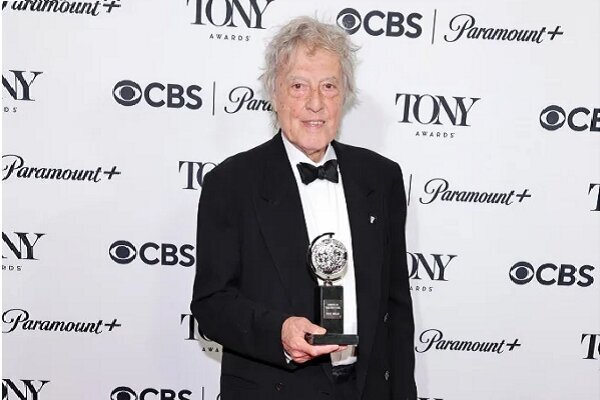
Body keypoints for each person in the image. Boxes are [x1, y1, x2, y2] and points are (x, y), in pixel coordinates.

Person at [191, 16, 417, 400]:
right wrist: (278, 331)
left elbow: (396, 308)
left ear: (344, 94)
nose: (315, 103)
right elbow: (212, 305)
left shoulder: (381, 178)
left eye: (329, 86)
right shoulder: (231, 183)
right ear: (274, 94)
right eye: (298, 86)